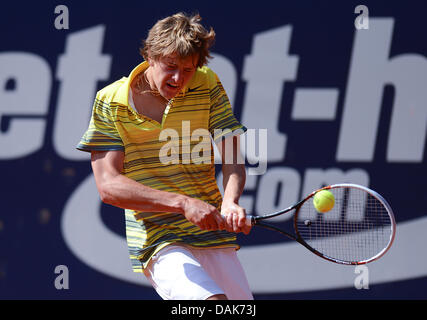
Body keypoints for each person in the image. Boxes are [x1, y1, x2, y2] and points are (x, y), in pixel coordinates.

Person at [77, 12, 253, 300]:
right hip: (159, 241)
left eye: (187, 70)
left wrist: (230, 200)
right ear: (150, 56)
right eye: (170, 66)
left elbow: (233, 157)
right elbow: (108, 186)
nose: (178, 78)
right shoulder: (110, 101)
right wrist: (183, 204)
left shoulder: (207, 83)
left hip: (213, 237)